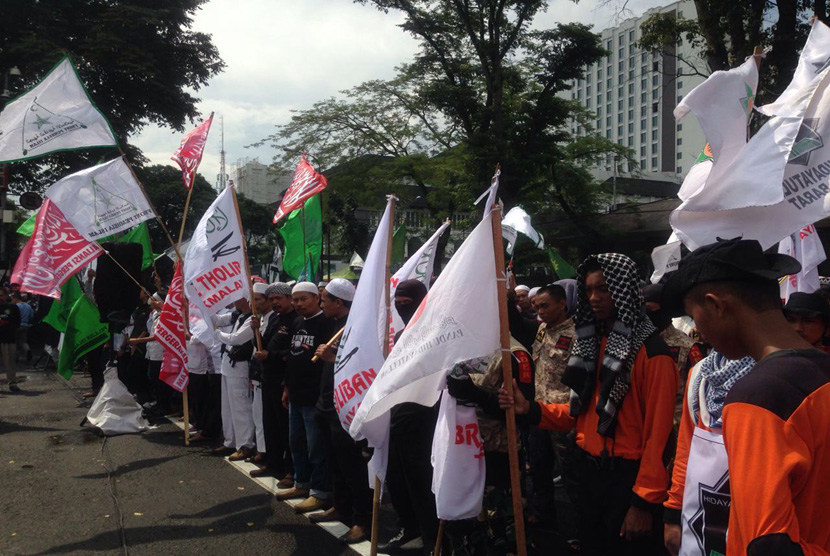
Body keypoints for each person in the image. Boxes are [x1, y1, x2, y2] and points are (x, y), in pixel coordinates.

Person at [500, 253, 678, 556]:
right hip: (589, 474)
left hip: (628, 481)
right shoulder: (591, 343)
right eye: (589, 290)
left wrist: (643, 503)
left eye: (604, 289)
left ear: (624, 289)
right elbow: (578, 416)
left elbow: (659, 436)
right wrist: (529, 410)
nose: (594, 297)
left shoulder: (653, 353)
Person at [662, 238, 830, 555]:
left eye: (694, 317)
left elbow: (768, 543)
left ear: (716, 305)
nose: (699, 332)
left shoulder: (758, 396)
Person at [381, 278, 439, 555]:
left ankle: (431, 537)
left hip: (424, 419)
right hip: (398, 417)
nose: (403, 308)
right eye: (399, 304)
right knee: (398, 478)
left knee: (422, 480)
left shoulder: (436, 330)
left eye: (408, 304)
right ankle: (410, 526)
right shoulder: (401, 334)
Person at [313, 279, 372, 544]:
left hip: (345, 408)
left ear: (339, 302)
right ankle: (342, 506)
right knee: (334, 462)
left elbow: (361, 364)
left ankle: (363, 519)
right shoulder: (333, 324)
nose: (321, 302)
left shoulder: (358, 328)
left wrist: (333, 357)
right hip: (326, 404)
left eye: (325, 298)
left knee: (352, 466)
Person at [276, 282, 335, 515]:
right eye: (295, 299)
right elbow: (293, 358)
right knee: (296, 443)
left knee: (316, 447)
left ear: (315, 298)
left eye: (303, 299)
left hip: (314, 398)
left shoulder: (327, 324)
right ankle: (301, 483)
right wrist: (287, 388)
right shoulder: (297, 323)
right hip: (296, 395)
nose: (298, 304)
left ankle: (319, 492)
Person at [526, 284, 576, 528]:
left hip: (563, 415)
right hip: (538, 411)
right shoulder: (542, 330)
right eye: (536, 306)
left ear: (562, 303)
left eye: (545, 305)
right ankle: (543, 513)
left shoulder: (578, 335)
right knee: (538, 466)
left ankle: (580, 527)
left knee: (571, 474)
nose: (540, 310)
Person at [252, 282, 295, 484]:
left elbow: (294, 352)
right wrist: (255, 332)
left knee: (285, 427)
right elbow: (263, 344)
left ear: (288, 299)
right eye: (271, 299)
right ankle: (273, 462)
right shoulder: (274, 319)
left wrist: (272, 356)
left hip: (284, 381)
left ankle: (291, 470)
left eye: (279, 298)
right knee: (270, 424)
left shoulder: (297, 320)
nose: (274, 302)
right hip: (268, 379)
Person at [213, 296, 256, 461]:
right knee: (228, 407)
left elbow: (236, 339)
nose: (234, 300)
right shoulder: (237, 315)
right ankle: (230, 441)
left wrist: (216, 333)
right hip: (228, 364)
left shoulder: (253, 319)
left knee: (241, 407)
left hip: (240, 366)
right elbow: (216, 319)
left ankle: (245, 445)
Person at [247, 282, 276, 465]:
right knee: (258, 416)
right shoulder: (261, 319)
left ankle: (266, 452)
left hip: (269, 376)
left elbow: (269, 347)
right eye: (253, 300)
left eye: (258, 299)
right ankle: (262, 449)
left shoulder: (273, 319)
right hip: (258, 375)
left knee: (265, 418)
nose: (255, 304)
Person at [0, 290, 21, 392]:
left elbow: (18, 322)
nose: (0, 297)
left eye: (1, 295)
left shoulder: (12, 307)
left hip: (8, 340)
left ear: (5, 296)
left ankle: (12, 383)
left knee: (10, 363)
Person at [11, 291, 33, 362]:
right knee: (23, 341)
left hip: (16, 326)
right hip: (25, 325)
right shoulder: (28, 306)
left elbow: (12, 317)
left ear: (15, 298)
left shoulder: (15, 306)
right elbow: (31, 316)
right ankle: (27, 350)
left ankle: (15, 357)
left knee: (15, 342)